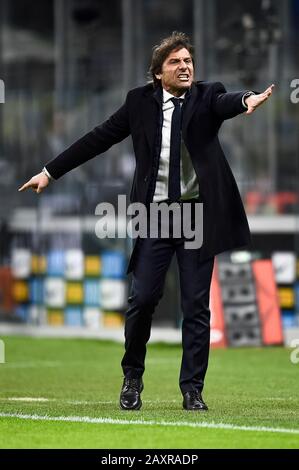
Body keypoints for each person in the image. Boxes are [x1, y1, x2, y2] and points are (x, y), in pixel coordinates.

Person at [19, 32, 274, 411]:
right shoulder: (138, 103)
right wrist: (49, 172)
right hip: (154, 217)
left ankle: (192, 390)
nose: (185, 67)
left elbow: (225, 102)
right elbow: (98, 138)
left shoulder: (206, 95)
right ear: (158, 73)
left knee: (196, 305)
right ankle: (132, 379)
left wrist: (246, 100)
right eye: (175, 62)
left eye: (188, 61)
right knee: (142, 299)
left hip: (196, 216)